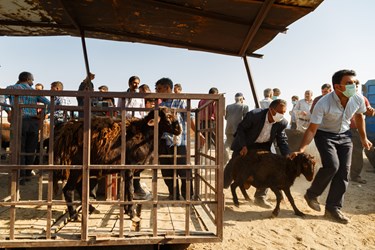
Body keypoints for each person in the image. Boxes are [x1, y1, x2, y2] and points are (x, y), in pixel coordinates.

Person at [291, 69, 372, 224]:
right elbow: (312, 129)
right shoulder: (323, 103)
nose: (354, 86)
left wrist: (364, 138)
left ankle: (333, 208)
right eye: (349, 83)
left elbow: (359, 116)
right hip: (325, 135)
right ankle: (312, 194)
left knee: (344, 171)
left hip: (345, 135)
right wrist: (301, 149)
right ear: (337, 87)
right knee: (332, 166)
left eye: (355, 83)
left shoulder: (358, 98)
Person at [224, 99, 290, 208]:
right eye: (280, 112)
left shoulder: (282, 123)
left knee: (270, 167)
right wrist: (244, 146)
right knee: (234, 164)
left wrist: (287, 155)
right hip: (245, 144)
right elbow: (241, 129)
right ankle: (222, 186)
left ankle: (260, 197)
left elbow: (282, 140)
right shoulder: (254, 115)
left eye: (284, 112)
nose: (282, 115)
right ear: (271, 110)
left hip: (263, 146)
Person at [155, 77, 205, 200]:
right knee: (166, 171)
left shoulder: (180, 102)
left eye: (159, 89)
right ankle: (173, 194)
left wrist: (198, 133)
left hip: (179, 142)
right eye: (156, 89)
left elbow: (189, 118)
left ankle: (188, 195)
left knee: (183, 170)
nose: (157, 92)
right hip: (163, 142)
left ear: (168, 88)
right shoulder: (159, 105)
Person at [4, 71, 50, 184]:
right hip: (33, 122)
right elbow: (48, 103)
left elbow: (1, 98)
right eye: (32, 80)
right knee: (31, 149)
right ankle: (28, 174)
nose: (33, 82)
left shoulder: (11, 88)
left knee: (20, 149)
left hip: (19, 121)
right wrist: (43, 114)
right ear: (28, 79)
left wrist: (8, 110)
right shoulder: (34, 92)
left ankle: (20, 176)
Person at [349, 82, 375, 184]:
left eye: (356, 86)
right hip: (341, 129)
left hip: (356, 130)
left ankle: (355, 176)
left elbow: (370, 112)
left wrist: (371, 111)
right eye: (351, 85)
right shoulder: (340, 97)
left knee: (357, 152)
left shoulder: (362, 99)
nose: (354, 88)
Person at [224, 92, 249, 164]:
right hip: (238, 132)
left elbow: (226, 118)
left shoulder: (228, 106)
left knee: (226, 147)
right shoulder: (245, 107)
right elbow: (246, 120)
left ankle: (225, 164)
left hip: (229, 130)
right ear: (241, 99)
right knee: (239, 149)